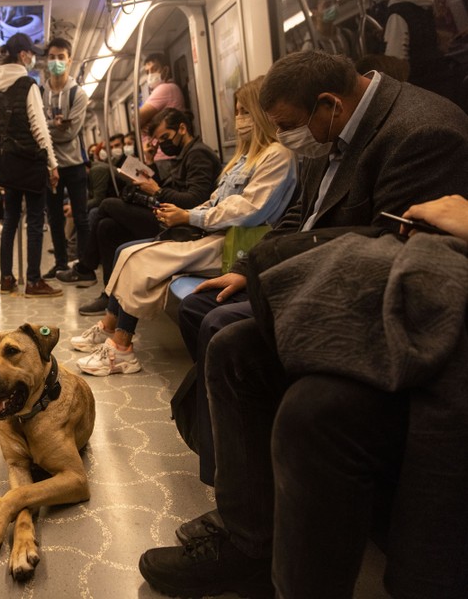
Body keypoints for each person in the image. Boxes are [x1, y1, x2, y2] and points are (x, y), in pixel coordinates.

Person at [140, 50, 468, 598]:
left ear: (328, 106)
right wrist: (251, 269)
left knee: (307, 407)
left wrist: (271, 269)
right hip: (344, 288)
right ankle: (249, 538)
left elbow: (399, 259)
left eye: (290, 126)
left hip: (400, 320)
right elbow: (303, 217)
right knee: (231, 347)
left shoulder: (423, 134)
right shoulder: (332, 133)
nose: (287, 138)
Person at [72, 77, 296, 377]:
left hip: (237, 243)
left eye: (244, 111)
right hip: (214, 233)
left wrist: (190, 217)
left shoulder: (278, 156)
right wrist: (188, 213)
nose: (239, 119)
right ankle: (112, 331)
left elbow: (249, 210)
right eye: (237, 111)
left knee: (138, 258)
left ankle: (122, 349)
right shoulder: (242, 159)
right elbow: (216, 200)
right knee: (128, 254)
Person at [58, 108, 221, 315]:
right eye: (159, 141)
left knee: (107, 204)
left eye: (165, 138)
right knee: (106, 227)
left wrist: (158, 191)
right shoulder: (185, 155)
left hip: (182, 226)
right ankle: (109, 297)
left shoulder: (198, 154)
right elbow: (176, 191)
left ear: (182, 128)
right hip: (167, 217)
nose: (162, 144)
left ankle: (85, 268)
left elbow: (194, 201)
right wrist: (150, 165)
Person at [0, 32, 61, 297]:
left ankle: (6, 278)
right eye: (31, 54)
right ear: (22, 55)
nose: (32, 59)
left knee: (9, 219)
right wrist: (52, 164)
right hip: (31, 162)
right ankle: (33, 280)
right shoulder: (28, 84)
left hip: (7, 161)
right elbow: (39, 128)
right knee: (34, 221)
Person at [41, 37, 90, 280]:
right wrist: (55, 125)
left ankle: (83, 265)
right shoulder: (39, 93)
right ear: (46, 61)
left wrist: (47, 127)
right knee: (55, 219)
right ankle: (60, 264)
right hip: (51, 166)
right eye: (52, 57)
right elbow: (36, 130)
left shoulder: (78, 94)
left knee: (81, 217)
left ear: (69, 61)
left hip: (75, 164)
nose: (56, 62)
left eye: (61, 57)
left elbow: (71, 131)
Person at [384, 0, 455, 101]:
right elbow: (396, 63)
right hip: (432, 86)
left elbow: (395, 60)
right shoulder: (403, 12)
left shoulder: (403, 11)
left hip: (425, 88)